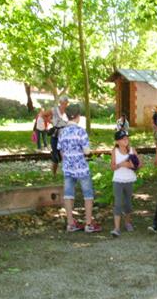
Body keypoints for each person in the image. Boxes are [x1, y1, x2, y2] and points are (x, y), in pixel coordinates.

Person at [57, 104, 102, 233]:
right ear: (78, 116)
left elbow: (61, 151)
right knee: (88, 195)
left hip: (68, 168)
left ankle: (70, 223)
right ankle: (88, 223)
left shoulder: (62, 132)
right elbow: (87, 151)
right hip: (81, 168)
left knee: (68, 194)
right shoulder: (81, 131)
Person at [110, 130, 140, 237]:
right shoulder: (115, 151)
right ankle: (117, 228)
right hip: (118, 180)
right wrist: (121, 164)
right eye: (123, 139)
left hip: (129, 180)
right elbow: (112, 167)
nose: (126, 140)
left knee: (128, 203)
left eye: (127, 138)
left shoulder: (132, 150)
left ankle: (127, 222)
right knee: (117, 203)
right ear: (117, 141)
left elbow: (140, 164)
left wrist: (132, 165)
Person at [50, 96, 69, 176]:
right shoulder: (54, 110)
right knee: (55, 156)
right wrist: (51, 122)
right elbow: (43, 115)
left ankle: (67, 173)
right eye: (63, 103)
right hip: (55, 135)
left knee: (65, 154)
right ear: (60, 103)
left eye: (66, 103)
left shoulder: (68, 111)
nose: (64, 105)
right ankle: (54, 173)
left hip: (65, 135)